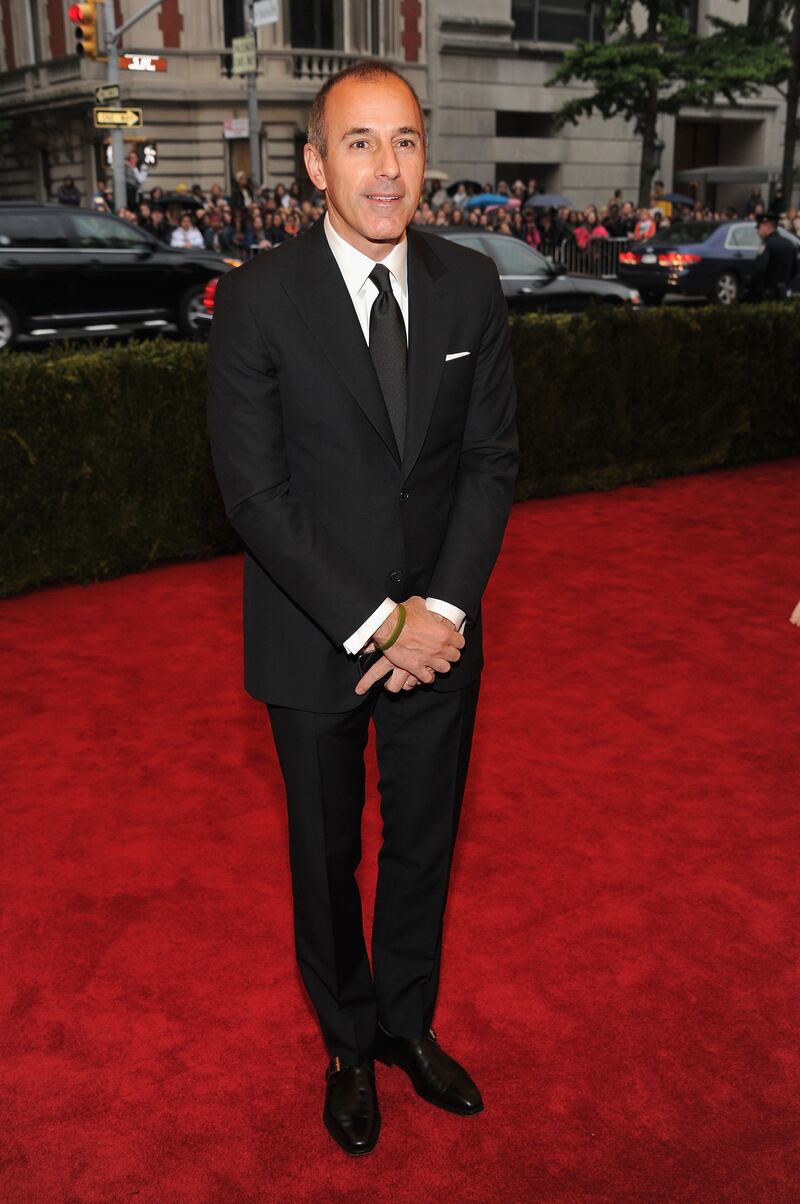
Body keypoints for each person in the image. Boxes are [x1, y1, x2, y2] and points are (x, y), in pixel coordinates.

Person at [207, 60, 517, 1158]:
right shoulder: (256, 298)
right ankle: (345, 1043)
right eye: (359, 143)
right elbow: (256, 495)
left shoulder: (470, 284)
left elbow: (487, 462)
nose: (387, 168)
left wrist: (441, 611)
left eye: (405, 141)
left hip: (441, 632)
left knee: (424, 843)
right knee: (325, 855)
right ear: (314, 164)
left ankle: (404, 1024)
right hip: (315, 634)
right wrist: (383, 622)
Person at [748, 211, 797, 301]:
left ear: (767, 226)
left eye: (759, 227)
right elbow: (795, 269)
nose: (758, 231)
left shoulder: (767, 245)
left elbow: (759, 270)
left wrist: (752, 288)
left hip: (767, 295)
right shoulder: (789, 243)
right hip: (784, 293)